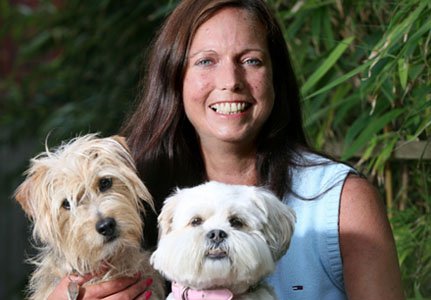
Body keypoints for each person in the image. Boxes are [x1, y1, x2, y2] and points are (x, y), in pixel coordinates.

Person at [48, 0, 405, 299]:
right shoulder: (130, 191)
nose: (230, 81)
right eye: (206, 61)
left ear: (274, 77)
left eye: (251, 60)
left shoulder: (339, 201)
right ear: (175, 77)